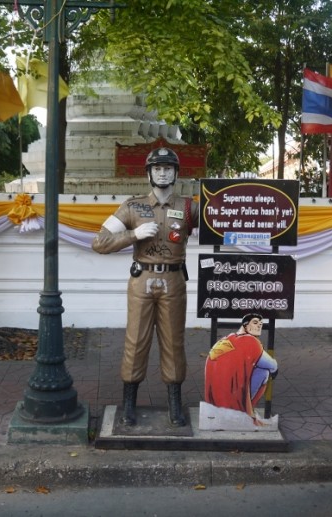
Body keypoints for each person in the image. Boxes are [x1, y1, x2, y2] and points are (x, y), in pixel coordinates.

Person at [92, 147, 199, 427]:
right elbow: (99, 242)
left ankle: (174, 403)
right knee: (136, 340)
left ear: (176, 173)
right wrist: (132, 234)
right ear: (149, 173)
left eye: (168, 168)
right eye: (157, 168)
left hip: (174, 280)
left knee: (174, 342)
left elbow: (220, 225)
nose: (162, 172)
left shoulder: (189, 207)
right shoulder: (132, 206)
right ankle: (129, 403)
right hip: (142, 279)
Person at [204, 313, 278, 425]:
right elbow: (272, 365)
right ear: (245, 325)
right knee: (264, 372)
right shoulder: (250, 341)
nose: (259, 326)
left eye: (261, 324)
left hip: (214, 400)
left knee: (255, 368)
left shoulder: (225, 340)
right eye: (255, 322)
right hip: (234, 399)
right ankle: (244, 411)